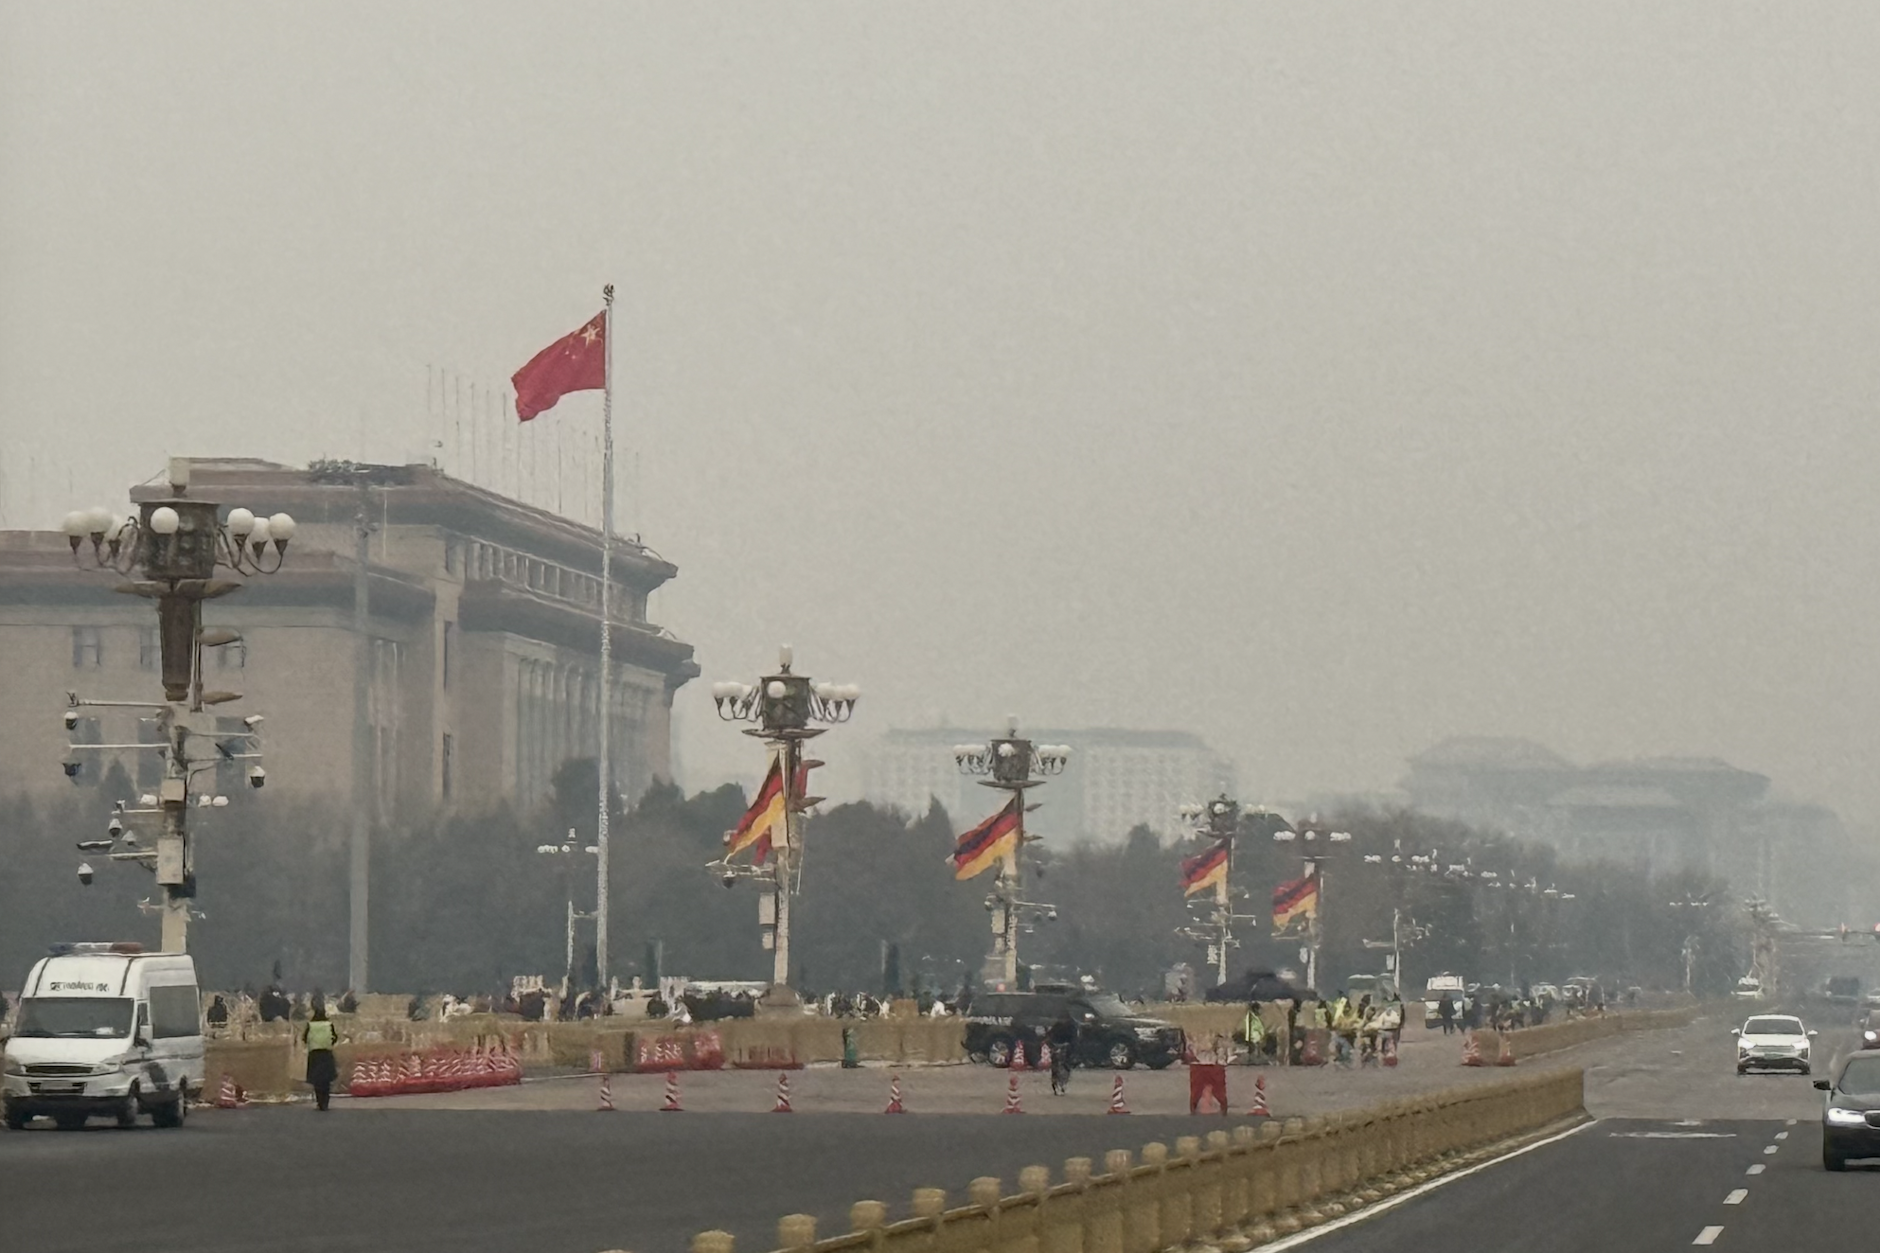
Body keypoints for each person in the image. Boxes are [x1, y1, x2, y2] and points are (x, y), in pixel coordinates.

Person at [302, 1006, 340, 1112]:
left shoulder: (310, 1025)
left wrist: (312, 1044)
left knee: (317, 1080)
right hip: (326, 1053)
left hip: (314, 1054)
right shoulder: (329, 1024)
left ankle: (319, 1102)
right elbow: (335, 1037)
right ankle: (326, 1102)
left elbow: (304, 1038)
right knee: (326, 1080)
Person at [1046, 1013, 1077, 1095]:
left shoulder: (1071, 1026)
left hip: (1065, 1048)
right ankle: (1058, 1085)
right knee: (1057, 1067)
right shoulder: (1058, 1026)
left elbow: (1074, 1039)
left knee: (1063, 1066)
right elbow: (1050, 1035)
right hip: (1057, 1047)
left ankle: (1062, 1084)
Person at [1238, 1000, 1267, 1065]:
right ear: (1256, 1010)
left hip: (1257, 1038)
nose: (1261, 1011)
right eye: (1259, 1009)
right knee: (1254, 1051)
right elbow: (1249, 1028)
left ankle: (1255, 1060)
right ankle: (1253, 1061)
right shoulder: (1251, 1017)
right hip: (1254, 1038)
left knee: (1256, 1051)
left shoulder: (1256, 1018)